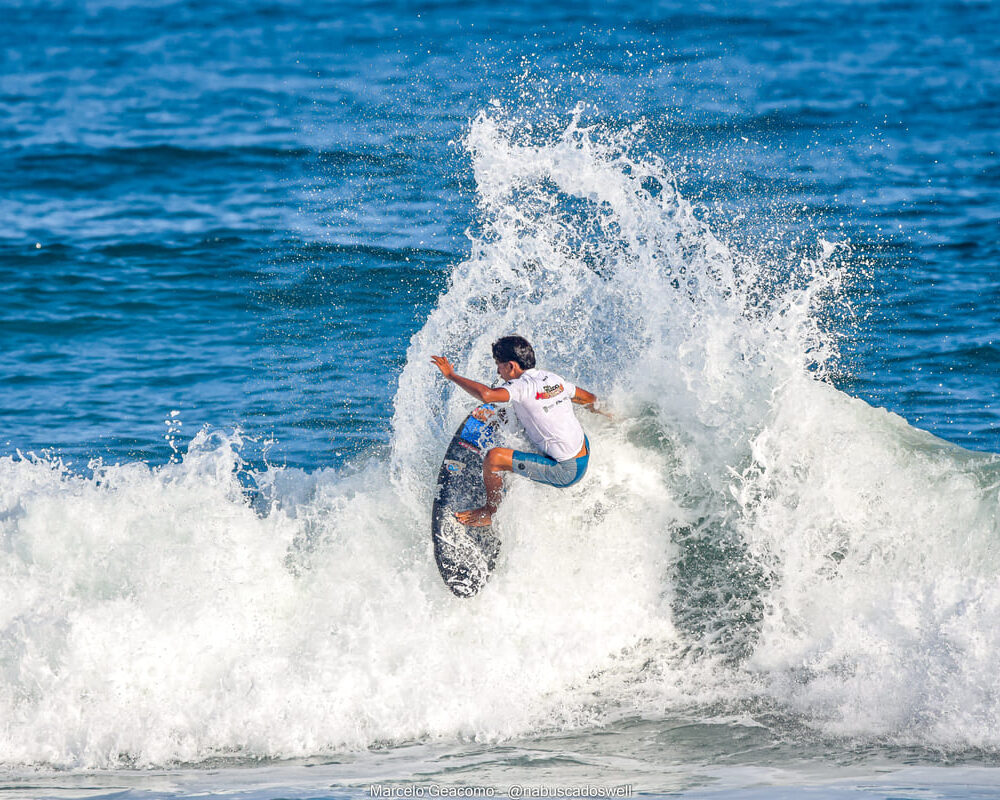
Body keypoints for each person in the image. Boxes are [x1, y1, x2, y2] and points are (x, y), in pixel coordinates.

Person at [431, 335, 607, 527]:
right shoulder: (553, 379)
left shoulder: (521, 386)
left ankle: (490, 512)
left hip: (567, 471)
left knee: (494, 458)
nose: (498, 373)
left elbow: (487, 396)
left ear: (511, 366)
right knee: (521, 410)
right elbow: (589, 399)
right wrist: (610, 415)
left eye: (499, 365)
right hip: (584, 450)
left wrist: (451, 375)